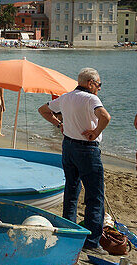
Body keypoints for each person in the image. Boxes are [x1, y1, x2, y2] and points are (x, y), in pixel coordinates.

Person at [37, 67, 110, 251]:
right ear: (90, 83)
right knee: (95, 195)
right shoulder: (91, 98)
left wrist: (60, 124)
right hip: (86, 149)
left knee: (71, 190)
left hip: (69, 147)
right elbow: (105, 117)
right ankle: (92, 242)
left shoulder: (66, 97)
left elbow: (44, 110)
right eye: (98, 84)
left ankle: (68, 233)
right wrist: (96, 132)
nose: (99, 88)